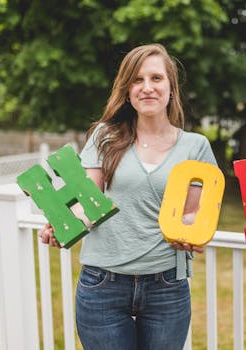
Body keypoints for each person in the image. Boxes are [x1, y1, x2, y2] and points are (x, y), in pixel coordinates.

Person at [39, 43, 217, 350]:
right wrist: (62, 223)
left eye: (156, 78)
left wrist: (192, 234)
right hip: (103, 285)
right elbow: (88, 202)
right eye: (137, 80)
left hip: (166, 286)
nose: (147, 87)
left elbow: (194, 214)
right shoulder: (104, 137)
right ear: (127, 89)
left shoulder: (195, 147)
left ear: (171, 87)